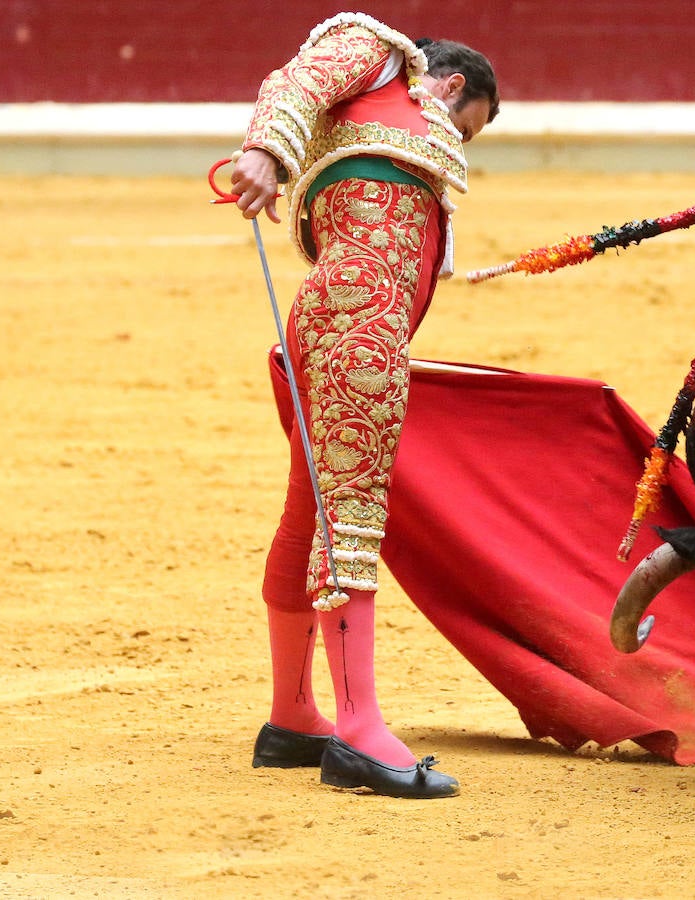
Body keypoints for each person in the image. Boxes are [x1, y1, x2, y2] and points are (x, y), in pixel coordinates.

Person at [229, 11, 499, 799]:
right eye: (468, 127)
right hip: (357, 316)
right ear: (449, 85)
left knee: (309, 511)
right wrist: (264, 153)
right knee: (349, 512)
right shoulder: (381, 55)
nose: (460, 145)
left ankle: (293, 718)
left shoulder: (402, 138)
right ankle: (359, 731)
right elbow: (298, 80)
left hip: (347, 315)